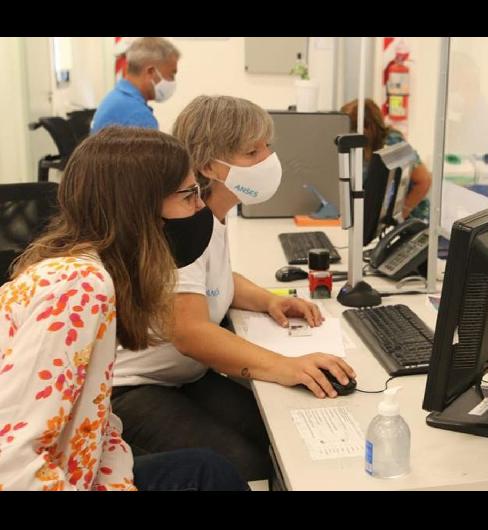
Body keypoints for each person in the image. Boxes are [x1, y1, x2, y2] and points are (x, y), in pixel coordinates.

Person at [112, 95, 356, 482]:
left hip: (183, 378)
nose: (267, 159)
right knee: (247, 463)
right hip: (132, 390)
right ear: (210, 165)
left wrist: (269, 300)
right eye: (251, 151)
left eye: (267, 146)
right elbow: (191, 333)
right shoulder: (186, 226)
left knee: (277, 431)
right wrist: (286, 365)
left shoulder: (212, 214)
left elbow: (214, 282)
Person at [0, 126, 248, 490]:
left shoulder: (104, 278)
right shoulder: (79, 289)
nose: (200, 207)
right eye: (188, 195)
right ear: (140, 210)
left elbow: (95, 421)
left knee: (207, 469)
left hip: (81, 468)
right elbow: (14, 464)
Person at [340, 98, 432, 221]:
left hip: (412, 219)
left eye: (351, 127)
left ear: (368, 127)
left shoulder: (393, 142)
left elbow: (423, 180)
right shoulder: (357, 148)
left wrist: (402, 213)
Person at [91, 37, 180, 134]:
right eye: (172, 74)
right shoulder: (138, 116)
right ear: (151, 72)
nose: (172, 81)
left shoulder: (116, 97)